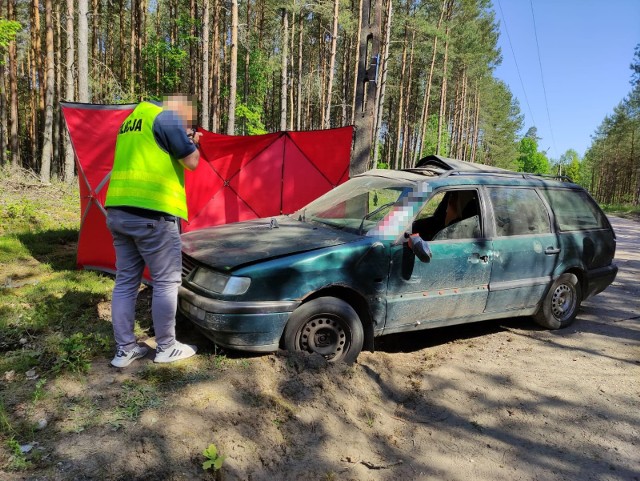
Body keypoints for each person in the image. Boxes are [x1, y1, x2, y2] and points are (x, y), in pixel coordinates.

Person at [104, 94, 203, 368]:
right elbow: (191, 161)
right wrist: (193, 142)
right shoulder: (167, 118)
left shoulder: (131, 121)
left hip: (118, 212)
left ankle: (124, 350)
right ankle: (167, 347)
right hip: (152, 214)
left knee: (125, 281)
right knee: (166, 282)